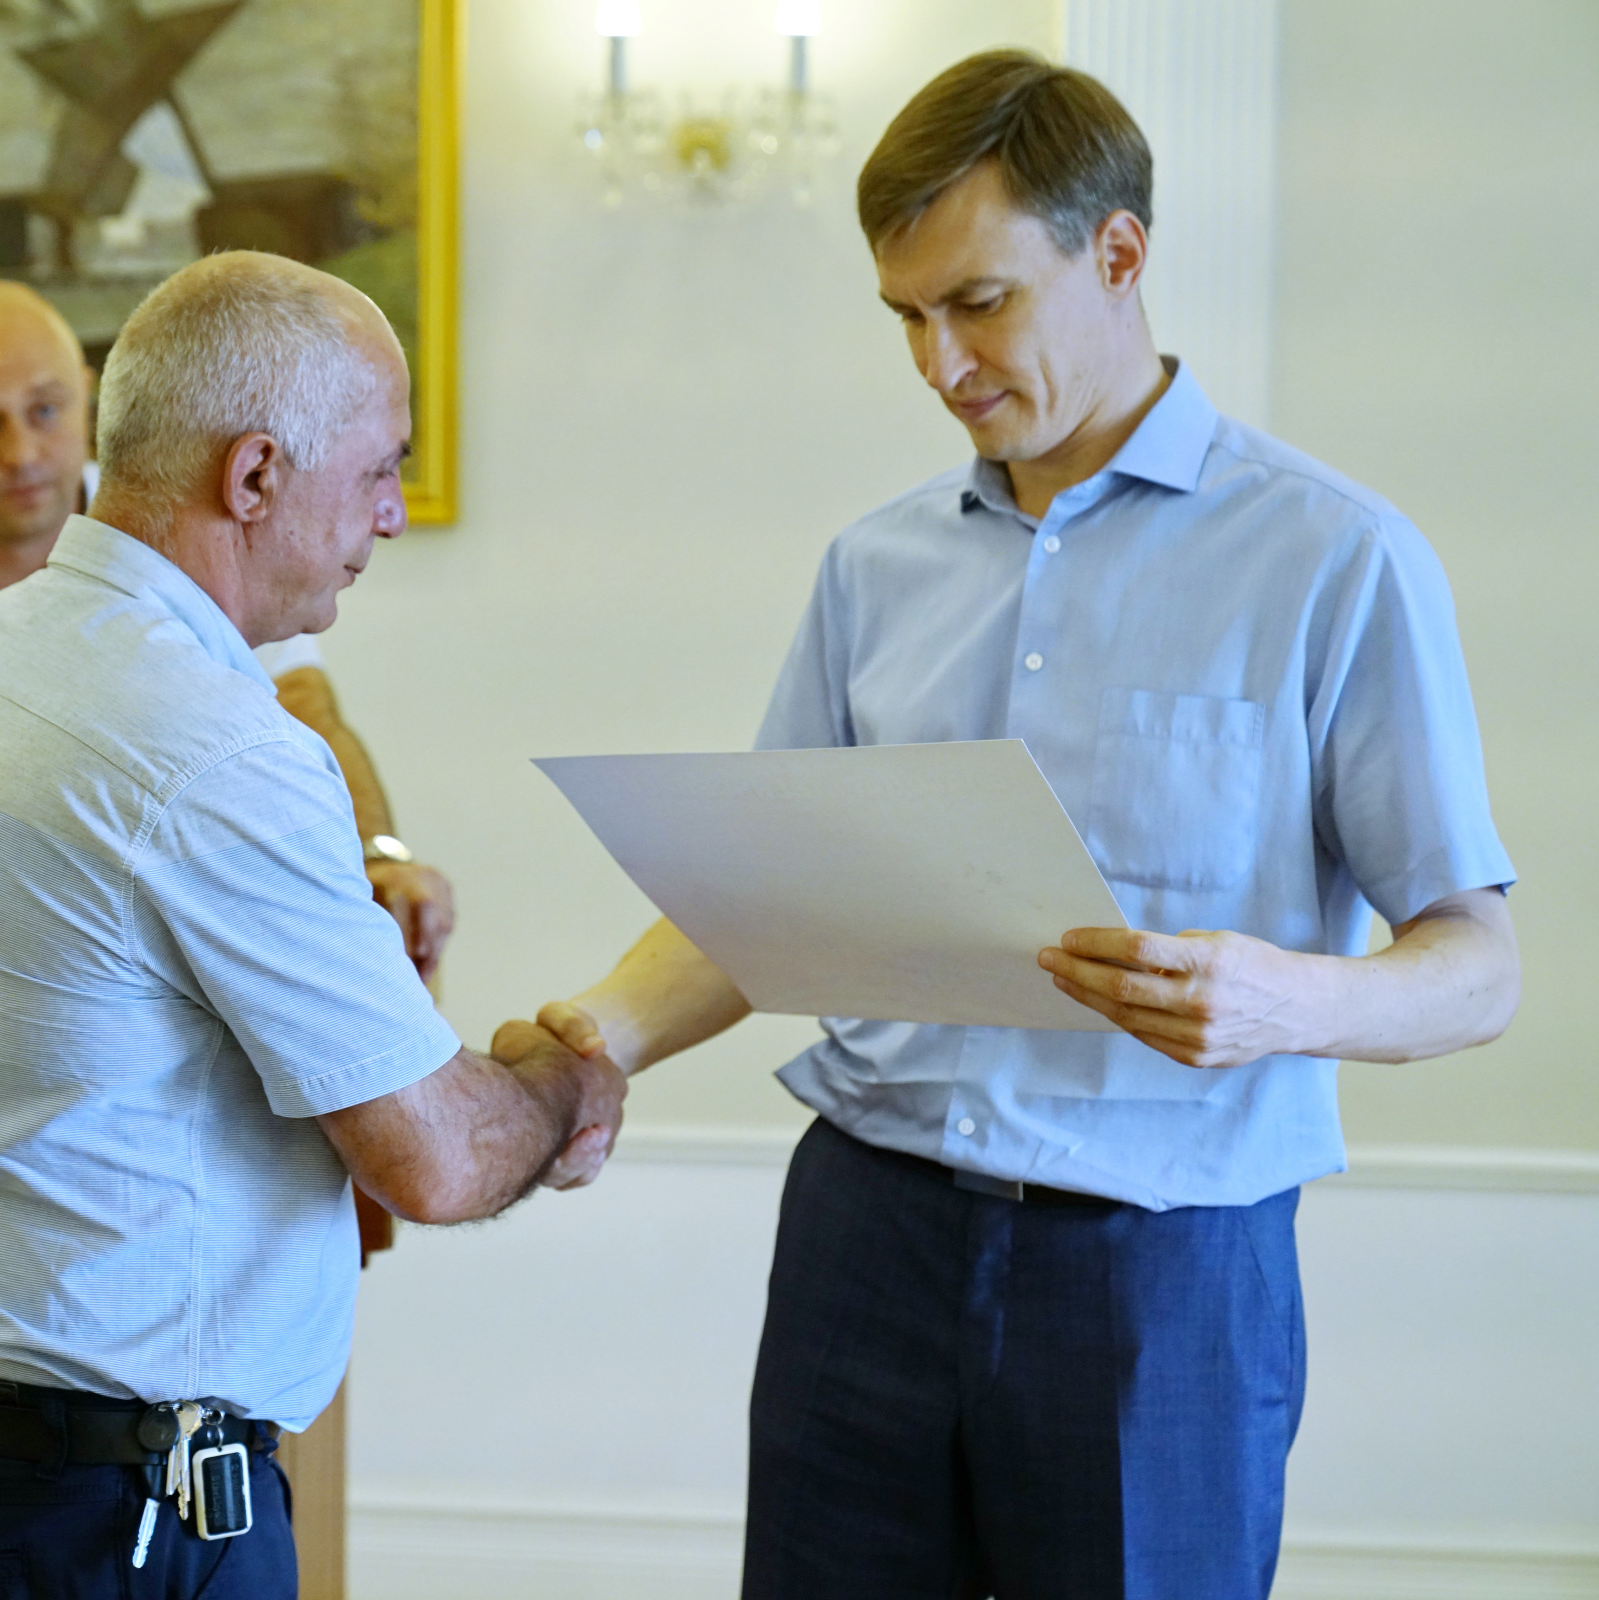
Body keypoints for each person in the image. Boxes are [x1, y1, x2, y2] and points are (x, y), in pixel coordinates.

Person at [520, 50, 1520, 1600]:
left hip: (1160, 1270)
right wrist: (596, 1039)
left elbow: (1477, 966)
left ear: (1117, 252)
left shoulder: (1337, 561)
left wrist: (1287, 1002)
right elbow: (764, 896)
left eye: (977, 303)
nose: (938, 363)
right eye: (904, 317)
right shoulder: (871, 569)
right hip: (862, 1231)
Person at [0, 252, 627, 1600]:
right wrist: (566, 1080)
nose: (391, 517)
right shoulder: (212, 749)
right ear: (254, 475)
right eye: (379, 470)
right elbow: (435, 1159)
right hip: (123, 1519)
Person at [0, 278, 455, 979]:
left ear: (88, 399)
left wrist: (376, 856)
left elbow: (304, 712)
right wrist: (40, 882)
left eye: (46, 410)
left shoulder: (190, 528)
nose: (22, 453)